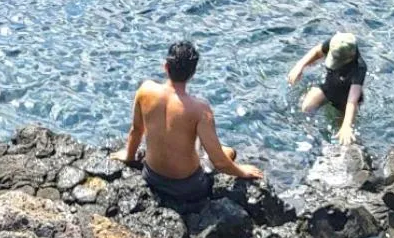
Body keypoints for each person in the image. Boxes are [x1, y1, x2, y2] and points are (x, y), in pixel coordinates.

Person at [113, 41, 264, 208]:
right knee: (229, 152)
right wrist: (242, 171)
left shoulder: (145, 90)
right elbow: (219, 163)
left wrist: (128, 156)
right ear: (193, 73)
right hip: (189, 187)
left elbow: (136, 130)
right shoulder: (200, 110)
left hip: (151, 176)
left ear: (166, 66)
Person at [288, 32, 366, 145]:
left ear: (350, 57)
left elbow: (352, 101)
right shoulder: (337, 42)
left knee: (344, 135)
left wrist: (346, 126)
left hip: (345, 97)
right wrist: (299, 66)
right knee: (305, 108)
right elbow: (316, 51)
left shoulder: (359, 68)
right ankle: (309, 138)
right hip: (329, 86)